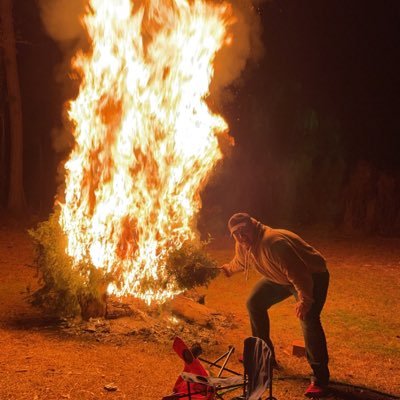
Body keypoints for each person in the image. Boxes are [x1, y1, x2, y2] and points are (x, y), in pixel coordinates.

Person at [220, 212, 330, 398]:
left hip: (312, 275)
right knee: (254, 303)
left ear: (253, 225)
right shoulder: (243, 243)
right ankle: (265, 357)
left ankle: (320, 378)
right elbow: (241, 260)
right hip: (281, 277)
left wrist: (305, 300)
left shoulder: (273, 243)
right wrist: (229, 269)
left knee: (308, 318)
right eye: (236, 234)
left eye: (243, 231)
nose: (240, 236)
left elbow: (300, 273)